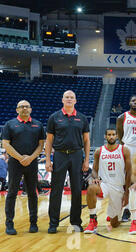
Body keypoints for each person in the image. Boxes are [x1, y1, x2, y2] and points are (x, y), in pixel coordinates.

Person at [46, 90, 91, 233]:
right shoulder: (54, 117)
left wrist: (86, 160)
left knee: (77, 190)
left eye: (72, 97)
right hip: (59, 155)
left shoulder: (82, 118)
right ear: (62, 100)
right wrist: (48, 159)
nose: (69, 99)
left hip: (77, 155)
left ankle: (76, 222)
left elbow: (86, 140)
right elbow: (49, 141)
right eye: (67, 97)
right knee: (56, 190)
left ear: (75, 101)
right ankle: (53, 223)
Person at [1, 100, 45, 235]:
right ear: (17, 109)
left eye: (27, 106)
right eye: (22, 106)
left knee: (32, 193)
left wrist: (31, 158)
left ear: (31, 109)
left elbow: (41, 145)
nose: (25, 108)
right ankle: (9, 224)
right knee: (12, 193)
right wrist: (21, 158)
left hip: (32, 163)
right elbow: (6, 145)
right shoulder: (10, 124)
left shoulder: (38, 125)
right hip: (15, 163)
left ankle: (33, 223)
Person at [84, 128, 132, 233]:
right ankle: (93, 220)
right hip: (104, 184)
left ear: (116, 136)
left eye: (113, 134)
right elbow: (94, 170)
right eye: (109, 134)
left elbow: (129, 172)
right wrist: (95, 178)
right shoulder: (99, 151)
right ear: (105, 136)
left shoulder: (124, 150)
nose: (111, 137)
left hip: (118, 187)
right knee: (91, 188)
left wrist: (126, 193)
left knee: (114, 224)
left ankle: (112, 215)